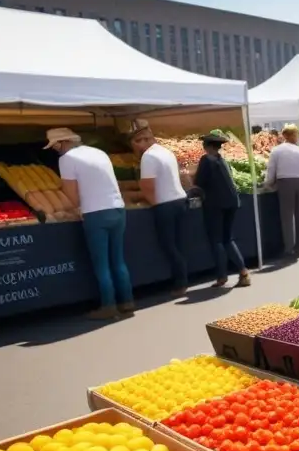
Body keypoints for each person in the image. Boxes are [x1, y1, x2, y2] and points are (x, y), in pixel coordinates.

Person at [45, 127, 134, 319]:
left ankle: (109, 305)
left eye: (55, 146)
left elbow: (71, 192)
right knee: (118, 260)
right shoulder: (98, 152)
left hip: (95, 213)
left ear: (62, 143)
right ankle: (127, 302)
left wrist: (73, 206)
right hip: (117, 208)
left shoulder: (66, 159)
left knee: (101, 263)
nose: (55, 150)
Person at [128, 119, 188, 296]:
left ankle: (180, 283)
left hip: (165, 204)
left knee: (169, 245)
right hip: (180, 200)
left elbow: (147, 186)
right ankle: (183, 278)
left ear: (143, 141)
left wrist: (154, 204)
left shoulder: (148, 157)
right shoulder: (166, 151)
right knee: (179, 243)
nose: (136, 148)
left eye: (136, 143)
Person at [193, 130, 250, 287]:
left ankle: (222, 276)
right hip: (231, 202)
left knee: (217, 240)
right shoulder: (222, 160)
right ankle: (243, 271)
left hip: (215, 205)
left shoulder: (206, 160)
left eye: (204, 144)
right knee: (227, 238)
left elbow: (199, 183)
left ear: (209, 146)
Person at [266, 123, 299, 257]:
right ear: (294, 135)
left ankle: (289, 247)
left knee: (287, 216)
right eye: (296, 134)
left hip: (284, 183)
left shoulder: (276, 150)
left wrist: (268, 183)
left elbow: (271, 170)